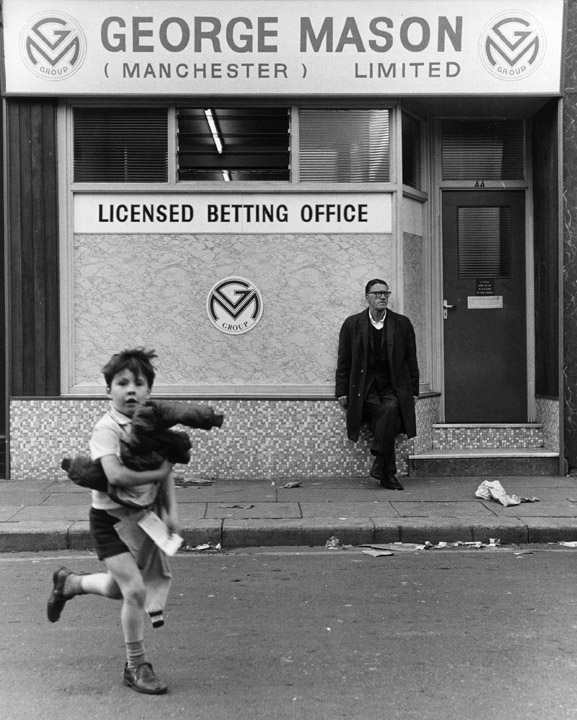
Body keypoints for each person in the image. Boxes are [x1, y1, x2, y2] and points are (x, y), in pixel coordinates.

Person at [47, 348, 222, 695]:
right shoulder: (106, 428)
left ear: (149, 391)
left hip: (144, 519)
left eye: (138, 384)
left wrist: (172, 513)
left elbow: (167, 472)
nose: (130, 390)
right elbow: (115, 474)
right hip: (110, 520)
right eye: (121, 383)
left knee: (119, 589)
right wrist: (158, 470)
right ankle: (136, 665)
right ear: (108, 389)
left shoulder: (153, 422)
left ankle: (69, 584)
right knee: (136, 590)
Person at [335, 279, 419, 490]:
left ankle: (380, 464)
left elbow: (411, 360)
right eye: (378, 293)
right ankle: (387, 474)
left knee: (389, 409)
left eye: (386, 293)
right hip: (365, 387)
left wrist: (414, 391)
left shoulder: (402, 323)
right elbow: (343, 360)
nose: (383, 297)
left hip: (393, 386)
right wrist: (342, 391)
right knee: (386, 417)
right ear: (367, 298)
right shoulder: (352, 324)